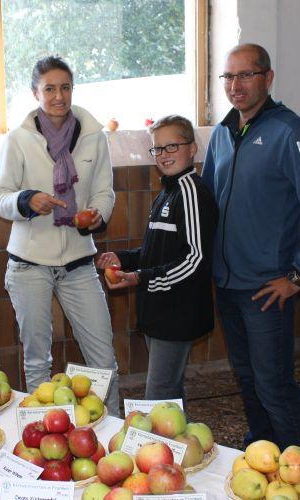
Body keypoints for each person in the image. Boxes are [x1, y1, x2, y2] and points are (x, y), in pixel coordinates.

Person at [201, 44, 300, 450]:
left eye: (246, 75)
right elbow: (209, 205)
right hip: (228, 286)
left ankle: (295, 467)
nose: (236, 85)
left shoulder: (292, 134)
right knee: (247, 379)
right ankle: (261, 453)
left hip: (267, 290)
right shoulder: (223, 134)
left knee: (274, 384)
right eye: (228, 77)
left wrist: (299, 276)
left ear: (268, 77)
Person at [0, 56, 119, 415]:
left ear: (72, 89)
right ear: (36, 92)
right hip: (28, 264)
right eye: (49, 89)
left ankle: (115, 441)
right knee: (36, 362)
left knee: (103, 359)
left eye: (65, 87)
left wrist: (96, 215)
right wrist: (26, 200)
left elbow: (105, 192)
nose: (58, 96)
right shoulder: (18, 139)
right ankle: (43, 440)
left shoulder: (94, 136)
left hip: (79, 261)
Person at [97, 115, 217, 403]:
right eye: (158, 149)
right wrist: (124, 259)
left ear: (192, 148)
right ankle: (182, 447)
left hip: (178, 313)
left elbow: (195, 259)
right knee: (169, 395)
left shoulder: (190, 192)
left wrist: (140, 277)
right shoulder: (167, 192)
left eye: (172, 146)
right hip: (159, 310)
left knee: (158, 397)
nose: (164, 155)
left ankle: (168, 447)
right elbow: (156, 252)